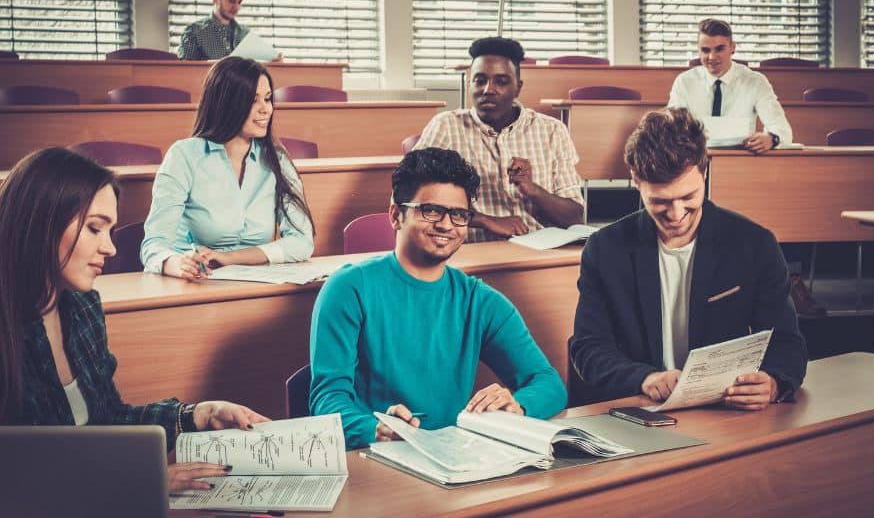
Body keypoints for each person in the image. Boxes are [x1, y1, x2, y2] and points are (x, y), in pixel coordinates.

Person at [0, 147, 269, 493]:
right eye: (95, 229)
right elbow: (21, 473)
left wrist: (198, 414)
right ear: (41, 222)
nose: (110, 248)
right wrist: (136, 480)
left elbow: (107, 419)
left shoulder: (82, 307)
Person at [309, 147, 567, 449]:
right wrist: (375, 428)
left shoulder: (480, 301)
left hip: (452, 458)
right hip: (377, 455)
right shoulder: (349, 288)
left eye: (459, 214)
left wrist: (517, 405)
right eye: (431, 210)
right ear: (396, 214)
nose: (446, 225)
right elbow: (327, 400)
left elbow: (549, 383)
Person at [569, 108, 807, 408]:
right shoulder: (604, 250)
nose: (677, 214)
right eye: (660, 201)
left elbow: (787, 342)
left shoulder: (755, 244)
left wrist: (773, 382)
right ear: (636, 180)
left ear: (704, 172)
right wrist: (646, 378)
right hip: (642, 409)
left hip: (727, 412)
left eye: (688, 197)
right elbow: (588, 347)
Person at [141, 56, 314, 279]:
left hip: (257, 283)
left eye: (268, 99)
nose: (266, 110)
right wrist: (178, 264)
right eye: (254, 100)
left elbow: (302, 241)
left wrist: (230, 258)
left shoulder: (277, 159)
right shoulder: (184, 156)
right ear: (227, 104)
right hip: (195, 281)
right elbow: (154, 245)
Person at [414, 36, 584, 242]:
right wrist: (485, 219)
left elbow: (575, 217)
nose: (488, 90)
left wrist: (532, 189)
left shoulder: (552, 131)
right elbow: (411, 197)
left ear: (518, 87)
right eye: (480, 80)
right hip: (474, 250)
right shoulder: (446, 126)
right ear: (470, 84)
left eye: (501, 82)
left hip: (540, 251)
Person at [668, 18, 793, 154]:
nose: (712, 57)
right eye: (705, 50)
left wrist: (771, 139)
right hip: (693, 160)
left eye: (719, 49)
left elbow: (782, 130)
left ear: (733, 47)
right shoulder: (684, 82)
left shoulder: (756, 81)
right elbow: (671, 130)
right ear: (698, 50)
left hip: (740, 163)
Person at [177, 0, 250, 61]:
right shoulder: (194, 32)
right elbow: (185, 70)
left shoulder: (245, 34)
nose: (236, 7)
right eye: (232, 1)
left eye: (239, 2)